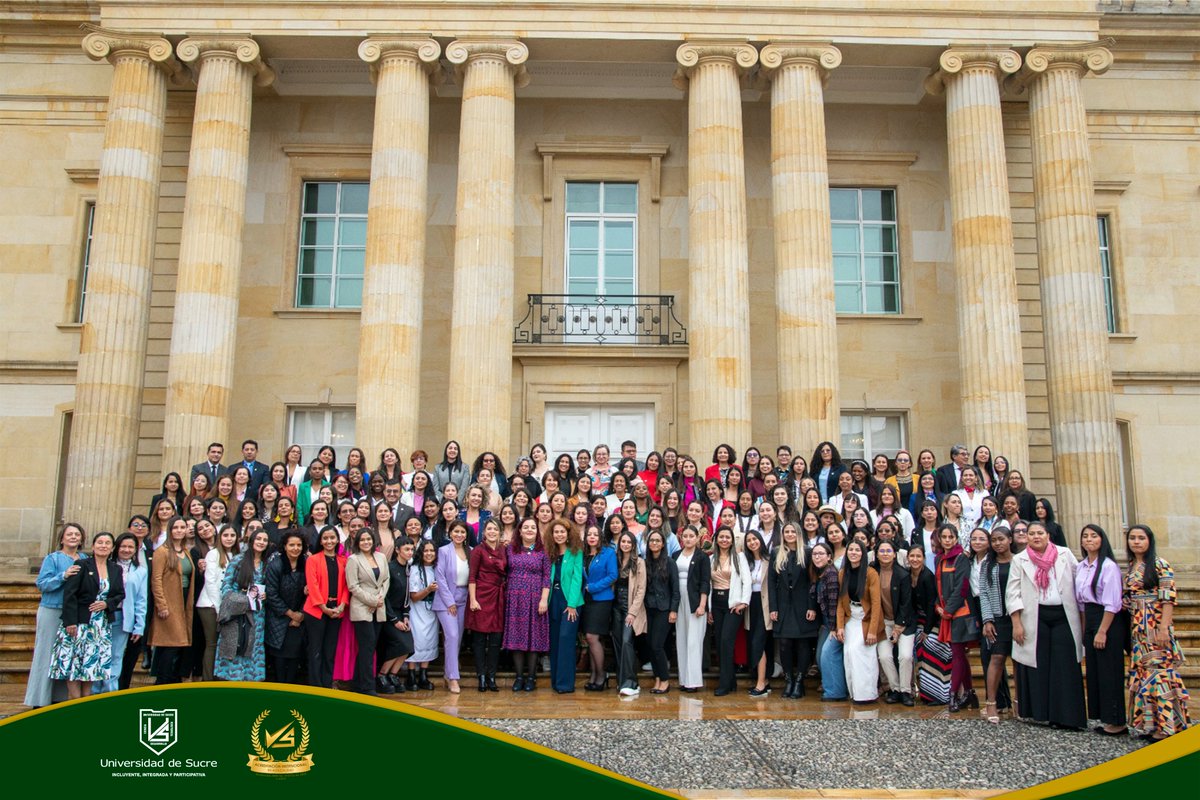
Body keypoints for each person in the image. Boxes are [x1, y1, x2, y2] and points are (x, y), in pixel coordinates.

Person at [1007, 521, 1086, 730]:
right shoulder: (1019, 559)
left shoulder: (1064, 554)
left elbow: (1080, 581)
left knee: (1065, 665)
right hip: (1035, 615)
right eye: (1031, 533)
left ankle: (1068, 716)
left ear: (1048, 535)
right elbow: (1012, 593)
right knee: (1041, 665)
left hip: (1063, 614)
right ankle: (1044, 713)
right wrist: (1016, 623)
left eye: (1039, 533)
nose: (1035, 537)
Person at [1124, 524, 1190, 740]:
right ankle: (1151, 724)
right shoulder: (1132, 566)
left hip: (1155, 624)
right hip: (1138, 628)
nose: (1136, 541)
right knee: (1145, 674)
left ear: (1149, 541)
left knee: (1159, 674)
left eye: (1141, 538)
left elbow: (1168, 597)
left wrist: (1164, 628)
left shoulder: (1160, 564)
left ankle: (1168, 727)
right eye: (1132, 538)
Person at [51, 531, 124, 699]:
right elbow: (70, 594)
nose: (103, 546)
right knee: (74, 664)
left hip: (100, 626)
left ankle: (86, 700)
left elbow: (120, 594)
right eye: (100, 542)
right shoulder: (82, 565)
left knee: (91, 666)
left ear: (112, 548)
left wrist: (107, 604)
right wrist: (70, 622)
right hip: (78, 622)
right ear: (93, 546)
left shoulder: (115, 569)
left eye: (107, 543)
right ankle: (75, 702)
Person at [1075, 523, 1126, 735]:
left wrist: (1102, 631)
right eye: (1085, 536)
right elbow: (1080, 602)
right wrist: (1086, 630)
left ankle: (1117, 720)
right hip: (1090, 615)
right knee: (1095, 670)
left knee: (1109, 670)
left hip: (1107, 618)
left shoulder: (1109, 566)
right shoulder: (1081, 566)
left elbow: (1113, 602)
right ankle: (1103, 717)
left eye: (1093, 536)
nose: (1089, 540)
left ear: (1101, 539)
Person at [26, 523, 85, 707]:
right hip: (52, 609)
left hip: (72, 613)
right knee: (46, 654)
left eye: (77, 534)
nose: (73, 537)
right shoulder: (53, 558)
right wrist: (63, 575)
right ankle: (39, 700)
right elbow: (42, 584)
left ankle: (57, 698)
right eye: (70, 534)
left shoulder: (84, 559)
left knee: (64, 656)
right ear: (62, 538)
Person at [769, 522, 817, 699]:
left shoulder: (807, 552)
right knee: (784, 644)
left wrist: (812, 606)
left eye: (792, 531)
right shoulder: (776, 552)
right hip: (783, 606)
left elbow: (813, 581)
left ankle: (799, 681)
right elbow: (771, 583)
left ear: (798, 533)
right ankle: (788, 679)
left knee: (803, 644)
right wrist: (773, 607)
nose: (789, 534)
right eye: (786, 531)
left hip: (803, 605)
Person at [215, 528, 269, 682]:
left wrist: (266, 595)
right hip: (237, 614)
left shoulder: (266, 563)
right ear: (251, 541)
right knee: (237, 647)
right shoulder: (238, 560)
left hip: (257, 615)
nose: (261, 542)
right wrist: (242, 600)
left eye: (265, 540)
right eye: (258, 539)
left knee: (253, 647)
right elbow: (226, 586)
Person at [935, 523, 978, 712]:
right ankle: (969, 693)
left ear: (956, 538)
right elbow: (939, 585)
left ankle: (953, 695)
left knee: (958, 654)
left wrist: (949, 610)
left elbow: (962, 586)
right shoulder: (940, 559)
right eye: (944, 537)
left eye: (950, 537)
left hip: (960, 612)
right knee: (959, 654)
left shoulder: (961, 558)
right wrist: (938, 605)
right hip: (946, 612)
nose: (947, 540)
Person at [504, 517, 551, 691]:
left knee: (533, 639)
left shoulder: (543, 551)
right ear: (520, 531)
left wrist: (544, 599)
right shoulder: (510, 549)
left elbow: (547, 577)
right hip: (515, 599)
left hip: (535, 598)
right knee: (516, 638)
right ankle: (519, 677)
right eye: (526, 527)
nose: (530, 530)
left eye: (533, 527)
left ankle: (531, 677)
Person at [150, 516, 196, 684]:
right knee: (170, 645)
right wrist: (161, 605)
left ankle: (170, 682)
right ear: (170, 530)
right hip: (169, 602)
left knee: (177, 646)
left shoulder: (186, 552)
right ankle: (162, 683)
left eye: (182, 527)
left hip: (184, 600)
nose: (179, 530)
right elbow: (156, 579)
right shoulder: (161, 552)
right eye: (175, 527)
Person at [345, 529, 390, 695]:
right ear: (357, 542)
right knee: (367, 648)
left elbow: (386, 580)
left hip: (378, 608)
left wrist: (379, 600)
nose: (366, 542)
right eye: (362, 540)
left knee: (371, 647)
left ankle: (357, 683)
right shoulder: (353, 560)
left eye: (368, 539)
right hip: (362, 608)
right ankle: (367, 686)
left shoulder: (381, 557)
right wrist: (371, 600)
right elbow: (353, 586)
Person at [837, 539, 882, 704]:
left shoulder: (870, 573)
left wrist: (872, 630)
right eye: (851, 550)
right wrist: (840, 626)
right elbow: (841, 603)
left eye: (857, 550)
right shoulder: (843, 573)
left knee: (861, 652)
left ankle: (867, 694)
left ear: (863, 553)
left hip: (866, 618)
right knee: (848, 653)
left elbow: (876, 604)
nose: (853, 553)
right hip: (851, 616)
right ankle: (854, 694)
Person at [303, 526, 347, 689]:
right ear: (320, 541)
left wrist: (342, 605)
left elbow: (345, 586)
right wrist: (324, 607)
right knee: (316, 650)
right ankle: (315, 685)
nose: (329, 541)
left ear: (337, 540)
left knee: (330, 650)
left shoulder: (344, 561)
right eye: (325, 538)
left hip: (337, 610)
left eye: (332, 538)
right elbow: (312, 586)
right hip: (316, 611)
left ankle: (327, 683)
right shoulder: (313, 560)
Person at [979, 526, 1015, 722]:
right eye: (994, 540)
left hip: (1018, 616)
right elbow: (983, 593)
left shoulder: (1019, 561)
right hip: (997, 617)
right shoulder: (988, 564)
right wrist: (987, 619)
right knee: (997, 657)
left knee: (1020, 661)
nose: (998, 543)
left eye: (1001, 539)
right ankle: (992, 703)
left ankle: (1019, 703)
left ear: (1010, 539)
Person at [708, 526, 750, 696]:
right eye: (721, 537)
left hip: (732, 603)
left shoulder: (739, 557)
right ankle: (731, 680)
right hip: (716, 602)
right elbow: (709, 584)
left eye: (727, 537)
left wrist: (744, 602)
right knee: (719, 642)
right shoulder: (711, 558)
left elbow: (746, 581)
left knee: (726, 641)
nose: (724, 540)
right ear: (716, 539)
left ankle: (724, 683)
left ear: (732, 540)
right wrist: (709, 609)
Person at [103, 533, 148, 693]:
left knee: (115, 657)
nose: (126, 550)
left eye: (130, 547)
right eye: (123, 546)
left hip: (123, 617)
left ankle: (110, 693)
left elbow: (141, 600)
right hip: (103, 615)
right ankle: (94, 693)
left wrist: (139, 626)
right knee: (99, 656)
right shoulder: (105, 565)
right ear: (116, 547)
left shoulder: (140, 571)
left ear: (136, 550)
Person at [873, 539, 915, 706]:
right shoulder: (871, 572)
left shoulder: (903, 574)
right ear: (876, 554)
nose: (885, 554)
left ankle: (906, 691)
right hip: (883, 622)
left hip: (903, 622)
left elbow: (906, 603)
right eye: (881, 551)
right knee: (884, 656)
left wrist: (898, 628)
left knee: (905, 656)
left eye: (888, 551)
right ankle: (894, 689)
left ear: (895, 554)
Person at [468, 518, 507, 693]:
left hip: (499, 596)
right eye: (489, 529)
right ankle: (481, 676)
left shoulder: (504, 550)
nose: (492, 532)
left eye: (495, 529)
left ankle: (491, 676)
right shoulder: (478, 550)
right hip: (481, 596)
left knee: (496, 639)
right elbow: (472, 577)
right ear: (484, 532)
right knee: (479, 639)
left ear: (500, 532)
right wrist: (473, 599)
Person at [545, 517, 584, 693]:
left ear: (568, 534)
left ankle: (565, 684)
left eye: (562, 532)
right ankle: (555, 681)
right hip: (553, 599)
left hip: (570, 601)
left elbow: (577, 579)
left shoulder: (576, 552)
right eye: (556, 532)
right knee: (554, 641)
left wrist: (572, 604)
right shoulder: (549, 553)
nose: (559, 535)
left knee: (566, 639)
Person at [264, 530, 308, 685]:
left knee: (295, 655)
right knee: (280, 657)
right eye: (292, 545)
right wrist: (290, 614)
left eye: (299, 545)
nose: (295, 548)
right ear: (284, 546)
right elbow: (271, 594)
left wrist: (301, 614)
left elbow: (312, 592)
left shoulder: (307, 563)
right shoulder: (275, 565)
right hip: (279, 618)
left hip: (300, 619)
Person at [434, 519, 472, 693]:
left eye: (462, 532)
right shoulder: (443, 551)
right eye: (456, 531)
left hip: (464, 597)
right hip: (446, 599)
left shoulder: (470, 551)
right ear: (450, 533)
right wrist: (449, 602)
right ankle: (453, 678)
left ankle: (448, 672)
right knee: (452, 635)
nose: (459, 535)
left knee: (456, 640)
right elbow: (440, 577)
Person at [196, 523, 237, 681]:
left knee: (223, 644)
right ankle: (208, 680)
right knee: (212, 644)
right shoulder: (213, 554)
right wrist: (219, 608)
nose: (229, 538)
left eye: (232, 536)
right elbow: (210, 582)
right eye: (225, 535)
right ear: (220, 537)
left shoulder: (235, 555)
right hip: (210, 606)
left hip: (227, 607)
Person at [642, 529, 679, 695]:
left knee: (657, 645)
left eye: (657, 541)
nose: (654, 543)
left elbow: (675, 589)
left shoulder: (669, 562)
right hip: (649, 608)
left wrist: (673, 610)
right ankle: (657, 678)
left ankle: (665, 680)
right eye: (652, 541)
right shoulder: (646, 562)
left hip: (664, 609)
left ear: (663, 544)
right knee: (650, 645)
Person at [674, 525, 710, 692]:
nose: (688, 539)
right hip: (678, 600)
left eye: (691, 536)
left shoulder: (702, 557)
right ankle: (684, 678)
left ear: (697, 538)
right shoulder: (675, 556)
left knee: (694, 641)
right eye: (685, 536)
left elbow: (705, 582)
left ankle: (693, 681)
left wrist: (703, 605)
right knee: (681, 638)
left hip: (695, 601)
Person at [910, 546, 947, 704]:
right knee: (918, 644)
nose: (915, 559)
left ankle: (939, 693)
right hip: (916, 620)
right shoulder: (907, 575)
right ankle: (925, 692)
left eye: (918, 556)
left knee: (931, 643)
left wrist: (927, 629)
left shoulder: (927, 576)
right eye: (912, 556)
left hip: (932, 620)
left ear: (924, 558)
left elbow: (932, 603)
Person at [378, 537, 415, 693]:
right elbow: (384, 595)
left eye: (412, 549)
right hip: (387, 613)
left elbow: (407, 595)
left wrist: (405, 615)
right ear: (398, 550)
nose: (410, 552)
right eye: (406, 549)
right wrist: (394, 620)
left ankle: (393, 675)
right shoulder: (390, 568)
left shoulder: (408, 569)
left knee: (409, 646)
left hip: (401, 612)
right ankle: (381, 675)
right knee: (401, 643)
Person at [582, 524, 617, 691]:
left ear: (600, 537)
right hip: (586, 600)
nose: (592, 537)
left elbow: (613, 575)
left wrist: (594, 587)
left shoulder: (608, 553)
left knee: (592, 637)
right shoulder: (583, 554)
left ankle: (601, 675)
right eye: (589, 534)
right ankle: (594, 675)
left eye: (595, 534)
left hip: (601, 600)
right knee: (591, 639)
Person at [742, 530, 773, 697]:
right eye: (749, 540)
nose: (752, 542)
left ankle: (761, 683)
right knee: (752, 639)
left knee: (758, 642)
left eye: (755, 539)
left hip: (765, 604)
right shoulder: (746, 561)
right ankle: (764, 679)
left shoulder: (770, 560)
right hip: (750, 603)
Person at [407, 539, 440, 690]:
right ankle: (411, 675)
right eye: (426, 551)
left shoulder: (437, 568)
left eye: (432, 551)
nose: (429, 554)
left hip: (432, 610)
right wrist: (428, 589)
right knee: (416, 640)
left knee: (429, 640)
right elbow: (413, 596)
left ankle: (423, 675)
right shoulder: (414, 569)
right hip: (417, 609)